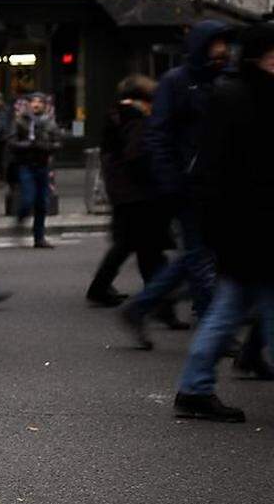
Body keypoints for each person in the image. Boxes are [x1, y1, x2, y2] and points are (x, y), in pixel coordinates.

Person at [172, 22, 274, 423]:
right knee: (242, 307)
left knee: (229, 309)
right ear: (261, 56)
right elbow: (219, 169)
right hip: (252, 226)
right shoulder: (243, 97)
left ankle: (195, 388)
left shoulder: (238, 92)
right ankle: (195, 388)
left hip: (244, 227)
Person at [119, 21, 233, 349]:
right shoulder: (177, 82)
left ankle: (141, 306)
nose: (222, 51)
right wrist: (171, 179)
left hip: (215, 183)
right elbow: (158, 134)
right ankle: (217, 330)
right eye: (216, 45)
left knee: (201, 255)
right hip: (189, 185)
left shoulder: (220, 81)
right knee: (199, 255)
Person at [85, 75, 175, 309]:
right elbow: (137, 156)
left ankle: (104, 288)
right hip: (136, 193)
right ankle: (156, 302)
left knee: (130, 244)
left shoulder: (118, 115)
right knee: (146, 248)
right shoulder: (135, 119)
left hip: (123, 191)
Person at [9, 93, 61, 248]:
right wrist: (28, 145)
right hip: (26, 164)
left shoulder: (49, 123)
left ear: (45, 105)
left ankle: (39, 237)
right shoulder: (20, 121)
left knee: (42, 203)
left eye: (40, 102)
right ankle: (21, 218)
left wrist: (46, 147)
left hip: (42, 164)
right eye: (33, 102)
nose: (36, 105)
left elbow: (58, 142)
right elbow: (11, 142)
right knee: (27, 198)